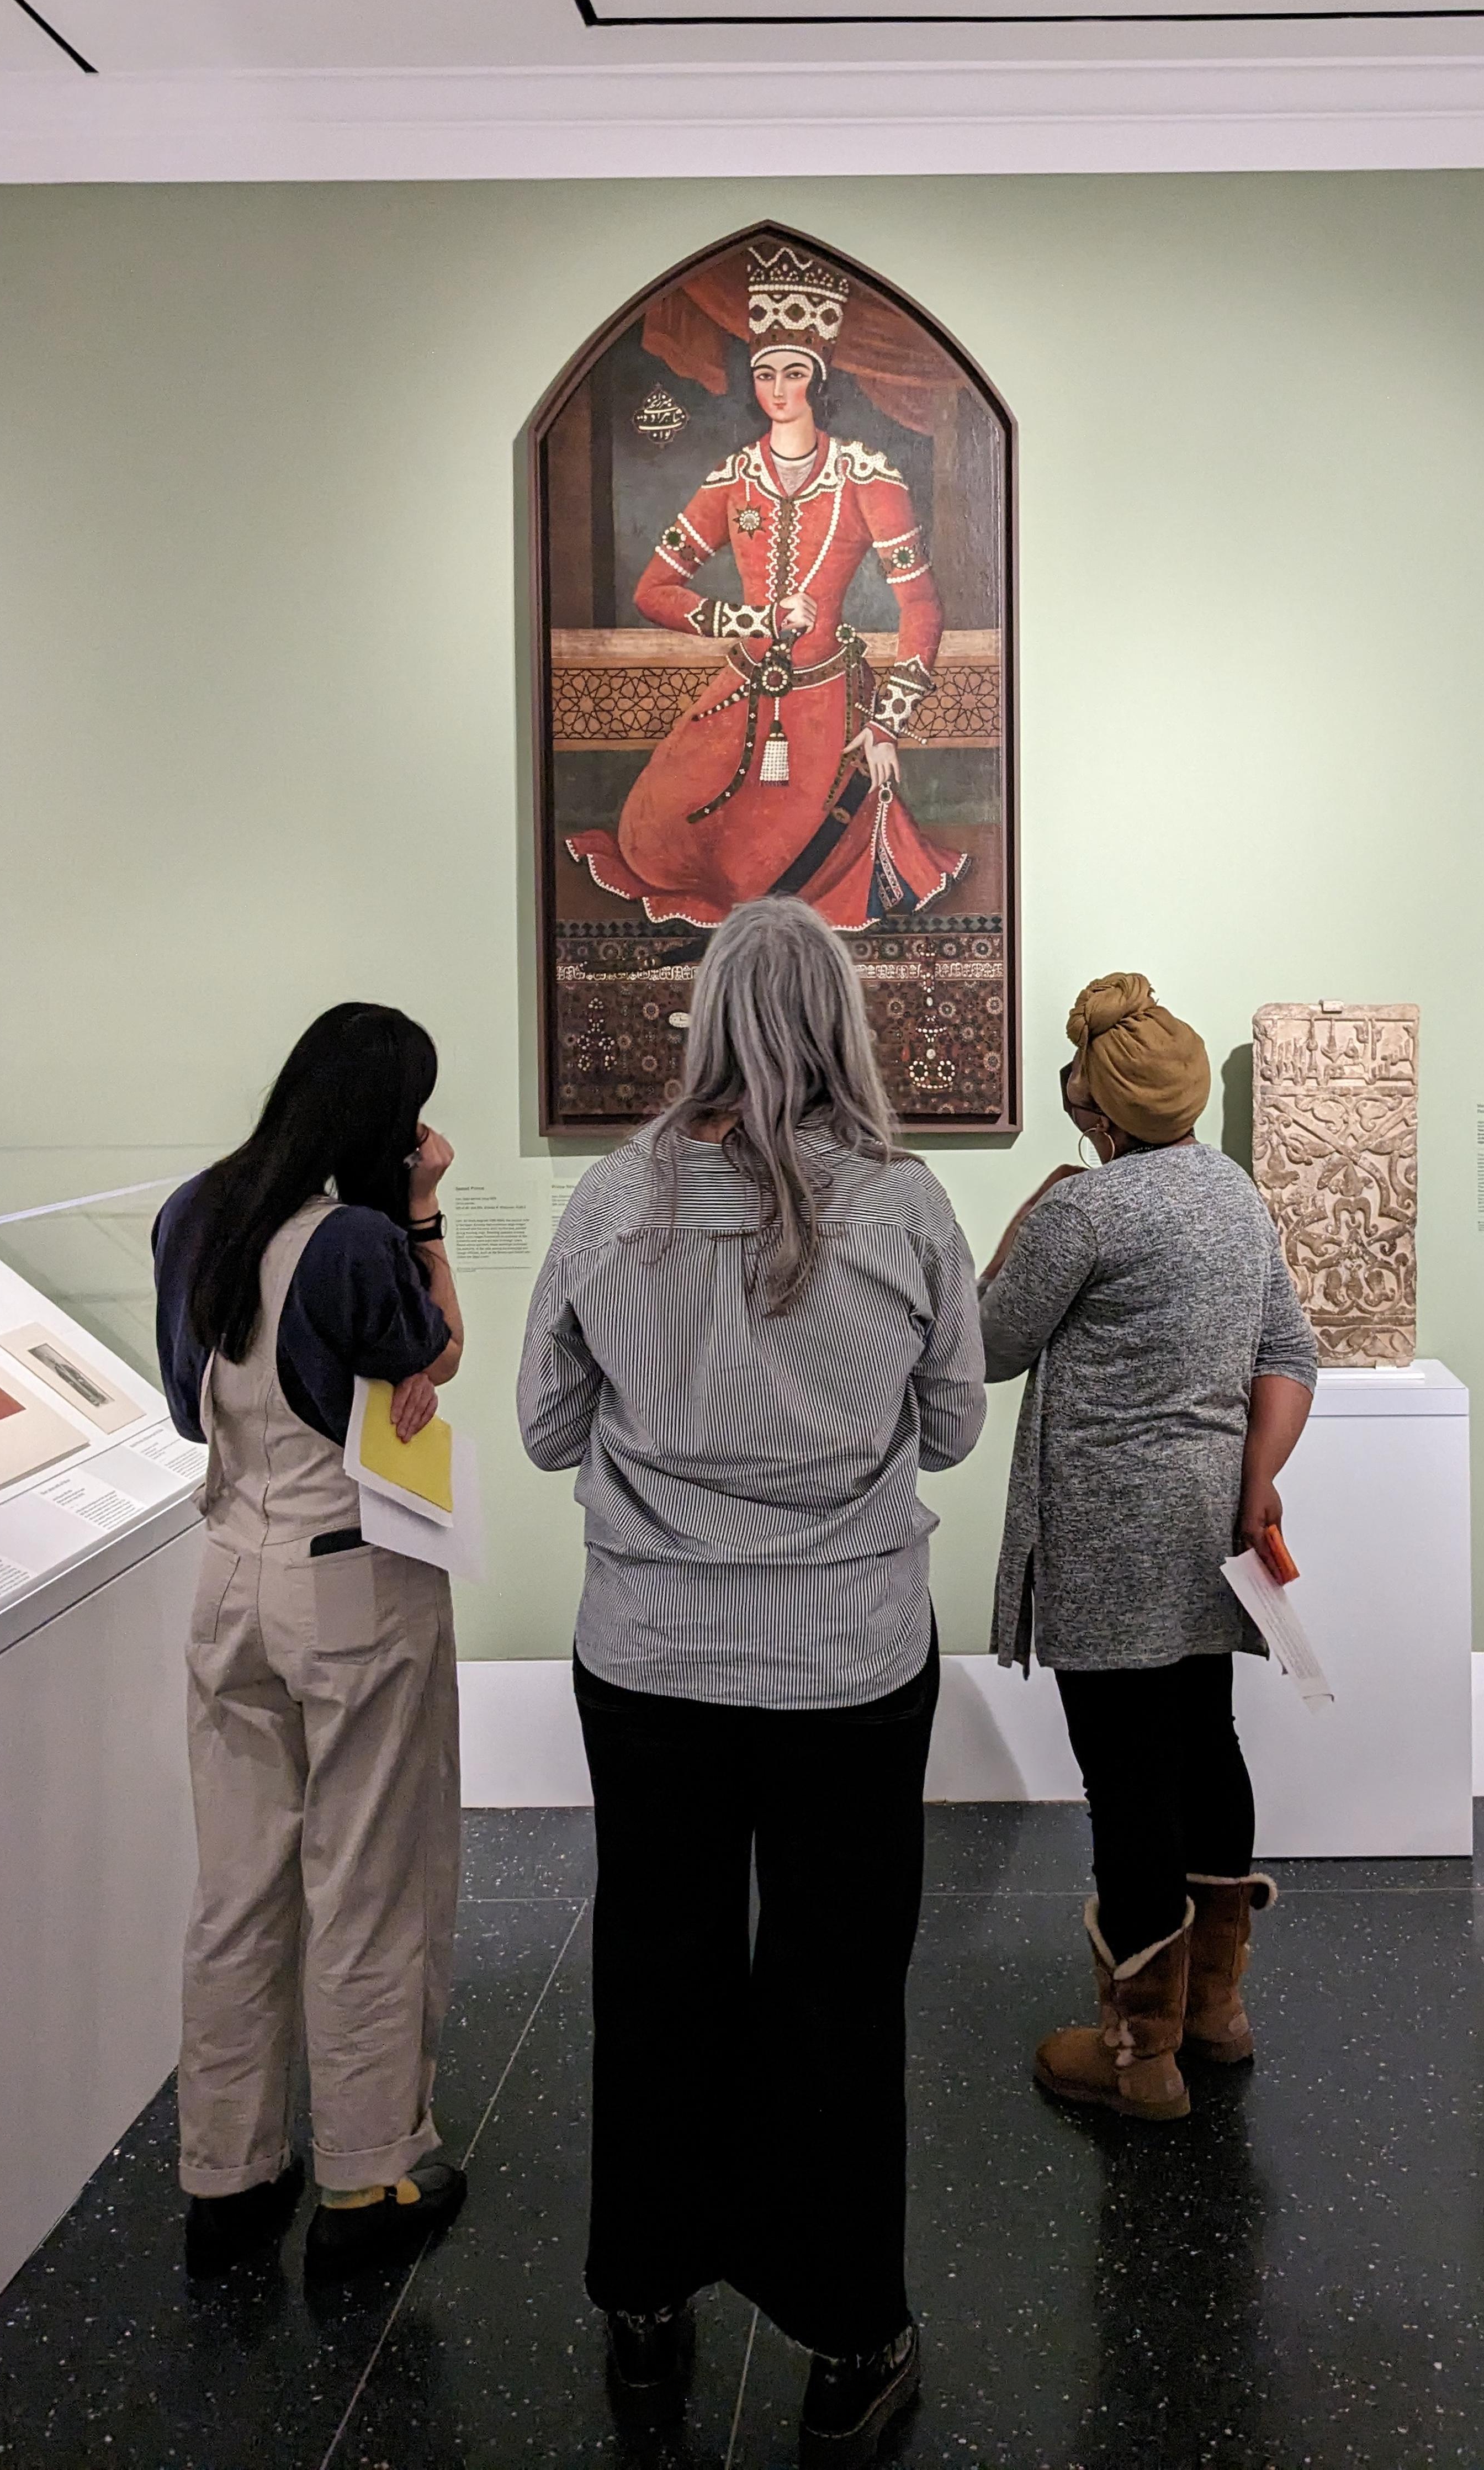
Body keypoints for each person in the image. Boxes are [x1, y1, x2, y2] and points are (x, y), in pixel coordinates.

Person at [517, 896, 984, 2463]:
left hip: (648, 1657)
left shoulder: (610, 1204)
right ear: (842, 1020)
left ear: (703, 1017)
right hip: (846, 1662)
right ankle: (850, 2332)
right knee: (840, 1990)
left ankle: (645, 2310)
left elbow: (542, 1424)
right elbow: (951, 1427)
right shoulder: (906, 1207)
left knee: (659, 1966)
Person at [152, 1003, 467, 2281]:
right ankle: (365, 2175)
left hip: (226, 1564)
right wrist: (428, 1215)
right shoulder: (349, 1239)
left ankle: (226, 2174)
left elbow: (187, 1408)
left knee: (235, 1887)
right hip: (349, 1577)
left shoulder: (193, 1210)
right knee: (366, 1883)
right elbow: (435, 1350)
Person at [979, 973, 1319, 2122]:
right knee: (1204, 1746)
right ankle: (1215, 2013)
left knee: (1125, 1780)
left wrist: (1029, 1214)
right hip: (1207, 1522)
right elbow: (1290, 1351)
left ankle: (1141, 2056)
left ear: (1098, 1110)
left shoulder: (1089, 1209)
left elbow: (987, 1343)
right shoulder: (1232, 1193)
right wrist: (1257, 1484)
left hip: (1106, 1534)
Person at [565, 239, 967, 932]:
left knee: (774, 872)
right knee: (652, 837)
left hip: (828, 709)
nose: (778, 391)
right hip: (743, 692)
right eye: (765, 374)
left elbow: (922, 607)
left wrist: (886, 724)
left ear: (818, 379)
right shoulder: (731, 478)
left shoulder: (867, 476)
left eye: (793, 373)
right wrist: (746, 621)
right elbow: (654, 590)